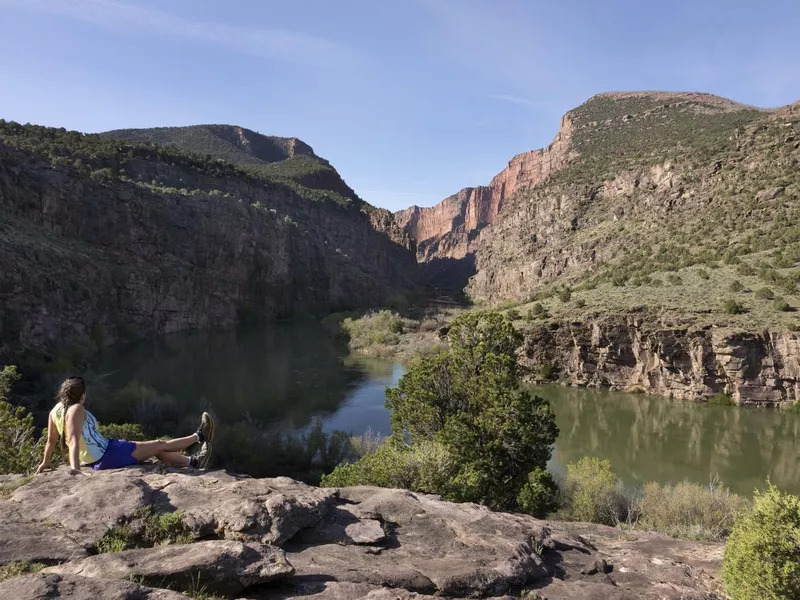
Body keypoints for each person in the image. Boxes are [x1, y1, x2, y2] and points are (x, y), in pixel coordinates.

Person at [36, 376, 214, 475]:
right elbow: (73, 441)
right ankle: (200, 436)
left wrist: (46, 461)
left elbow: (51, 441)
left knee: (154, 448)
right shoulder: (76, 409)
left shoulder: (54, 411)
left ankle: (194, 462)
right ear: (82, 395)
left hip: (106, 449)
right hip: (105, 456)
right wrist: (74, 469)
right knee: (159, 444)